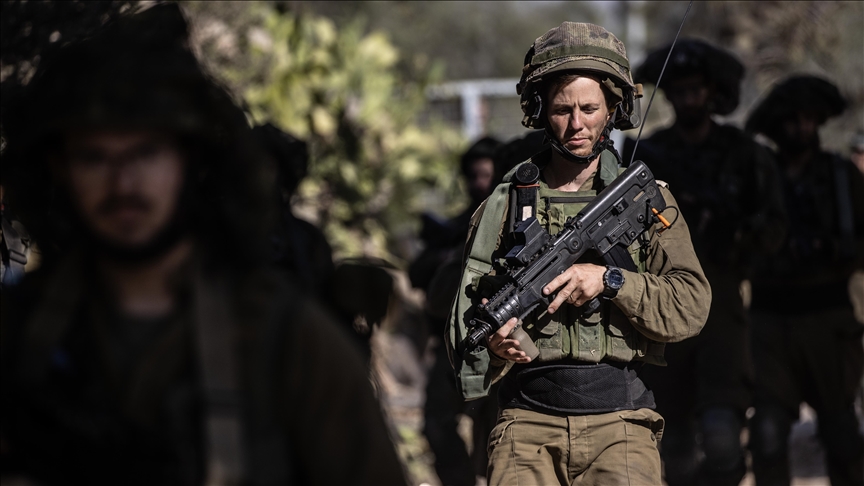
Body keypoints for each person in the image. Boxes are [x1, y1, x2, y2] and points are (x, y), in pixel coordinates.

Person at [0, 5, 406, 485]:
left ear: (190, 162)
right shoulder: (21, 335)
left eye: (146, 153)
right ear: (59, 170)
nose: (122, 182)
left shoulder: (284, 338)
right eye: (94, 157)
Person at [446, 22, 711, 486]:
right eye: (561, 109)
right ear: (539, 111)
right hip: (526, 424)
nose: (576, 125)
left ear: (613, 109)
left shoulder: (645, 199)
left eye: (590, 108)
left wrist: (609, 281)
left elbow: (690, 305)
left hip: (621, 423)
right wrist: (496, 347)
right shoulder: (505, 205)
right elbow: (465, 324)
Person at [622, 39, 787, 486]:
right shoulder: (651, 155)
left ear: (712, 93)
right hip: (661, 306)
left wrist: (735, 233)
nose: (688, 99)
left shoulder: (744, 154)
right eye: (679, 91)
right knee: (672, 441)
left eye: (696, 90)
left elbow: (776, 228)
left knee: (722, 435)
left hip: (723, 304)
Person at [745, 75, 864, 486]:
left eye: (810, 119)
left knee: (842, 434)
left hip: (828, 318)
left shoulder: (841, 176)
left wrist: (830, 249)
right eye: (793, 121)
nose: (802, 129)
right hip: (770, 322)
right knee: (767, 435)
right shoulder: (758, 179)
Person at [411, 136, 502, 486]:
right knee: (437, 424)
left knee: (494, 435)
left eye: (486, 175)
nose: (479, 184)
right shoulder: (459, 227)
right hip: (454, 349)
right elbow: (419, 275)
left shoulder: (511, 223)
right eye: (473, 176)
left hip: (498, 349)